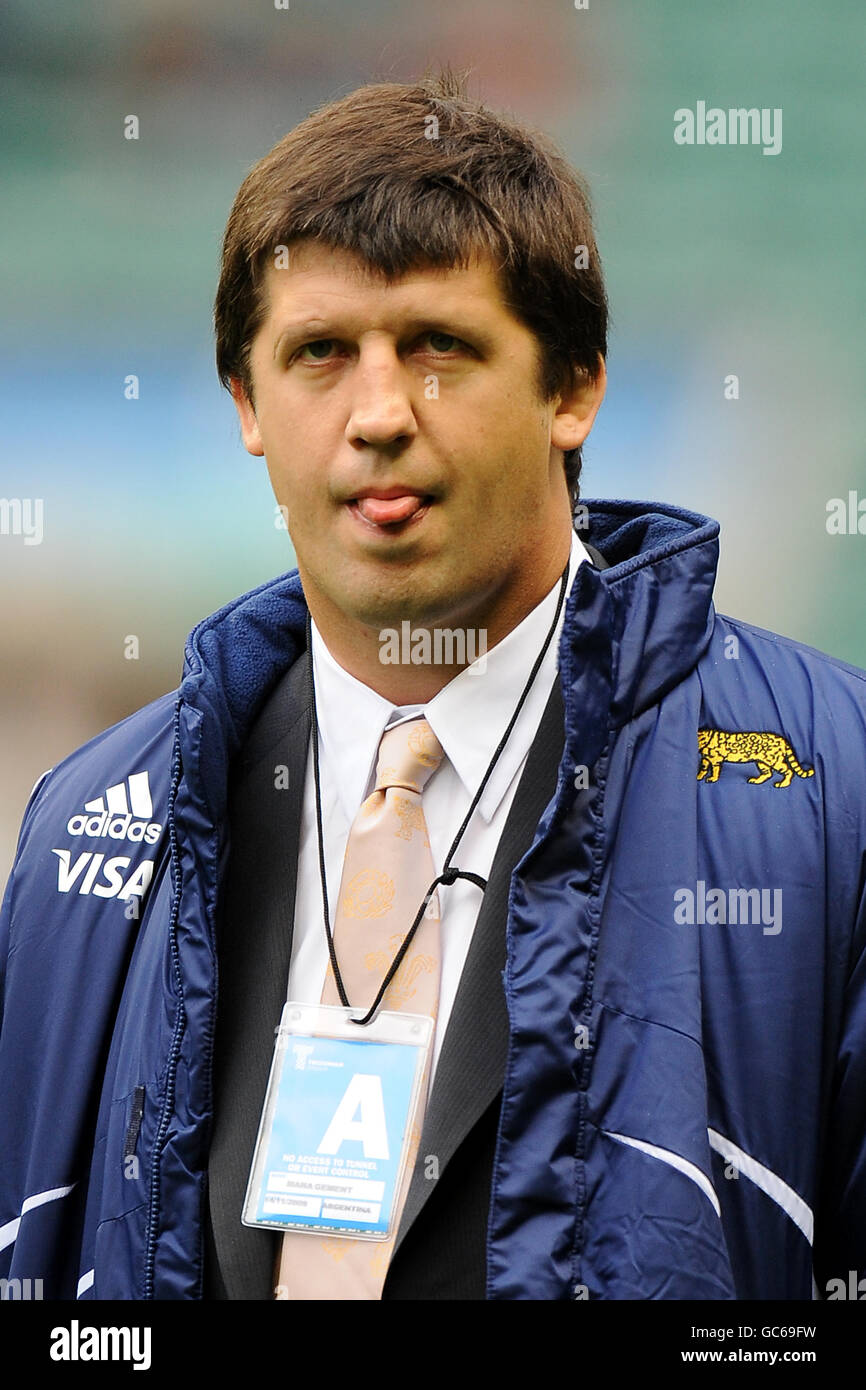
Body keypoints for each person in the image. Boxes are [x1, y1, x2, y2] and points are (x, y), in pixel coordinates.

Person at [1, 69, 864, 1303]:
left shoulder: (830, 793)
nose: (377, 414)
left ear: (571, 389)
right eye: (317, 355)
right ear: (246, 404)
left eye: (438, 348)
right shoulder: (85, 826)